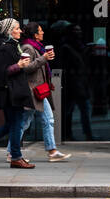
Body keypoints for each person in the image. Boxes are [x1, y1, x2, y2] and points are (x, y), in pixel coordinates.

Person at [0, 18, 43, 168]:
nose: (20, 31)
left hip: (15, 91)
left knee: (12, 124)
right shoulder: (6, 48)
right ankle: (16, 157)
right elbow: (0, 72)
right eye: (17, 29)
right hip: (10, 93)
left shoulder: (13, 46)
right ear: (9, 32)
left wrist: (21, 65)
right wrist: (19, 65)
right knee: (16, 123)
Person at [18, 22, 71, 161]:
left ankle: (52, 151)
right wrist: (44, 58)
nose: (42, 33)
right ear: (35, 34)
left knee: (47, 119)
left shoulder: (37, 47)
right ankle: (12, 152)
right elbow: (27, 68)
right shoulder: (28, 48)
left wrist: (45, 58)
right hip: (32, 92)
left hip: (39, 91)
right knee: (25, 122)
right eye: (40, 31)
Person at [58, 22, 95, 142]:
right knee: (72, 110)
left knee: (80, 109)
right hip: (72, 83)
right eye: (76, 30)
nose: (79, 33)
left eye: (79, 30)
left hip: (80, 82)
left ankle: (82, 133)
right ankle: (67, 134)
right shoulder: (67, 47)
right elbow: (72, 64)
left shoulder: (80, 45)